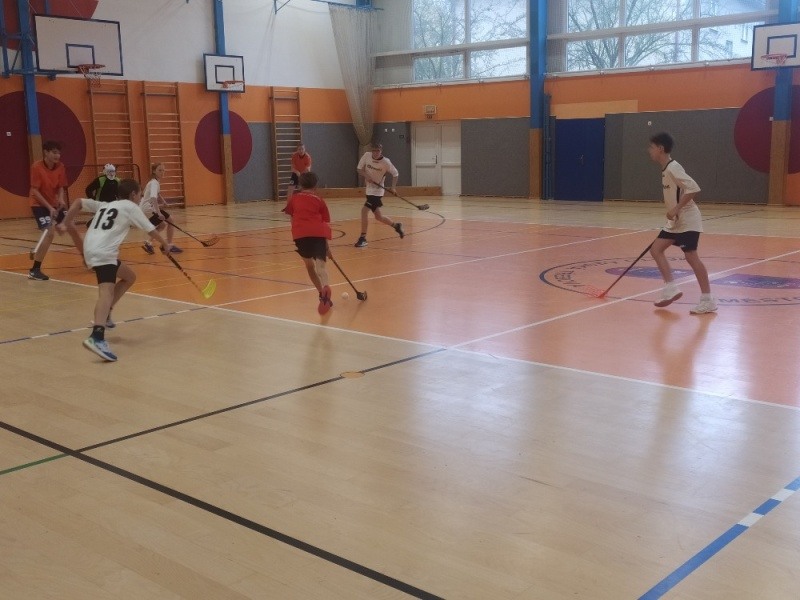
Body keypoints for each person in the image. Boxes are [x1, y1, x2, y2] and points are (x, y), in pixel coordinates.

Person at [58, 178, 171, 362]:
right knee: (106, 292)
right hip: (104, 252)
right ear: (133, 194)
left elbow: (78, 202)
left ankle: (107, 314)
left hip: (91, 249)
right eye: (140, 194)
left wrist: (65, 222)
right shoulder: (131, 207)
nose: (140, 197)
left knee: (129, 277)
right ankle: (97, 337)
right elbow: (150, 230)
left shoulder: (107, 205)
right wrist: (165, 244)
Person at [647, 132, 716, 314]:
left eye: (651, 147)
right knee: (656, 249)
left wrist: (676, 209)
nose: (649, 151)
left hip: (688, 220)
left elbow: (693, 188)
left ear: (660, 149)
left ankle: (707, 300)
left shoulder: (673, 168)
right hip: (676, 223)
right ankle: (670, 287)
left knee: (691, 256)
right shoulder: (665, 169)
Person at [27, 140, 84, 280]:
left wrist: (61, 199)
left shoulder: (60, 167)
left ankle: (87, 259)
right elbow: (35, 191)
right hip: (39, 205)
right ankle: (35, 270)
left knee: (72, 227)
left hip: (55, 204)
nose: (57, 155)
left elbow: (60, 186)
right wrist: (49, 207)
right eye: (54, 152)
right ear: (46, 152)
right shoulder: (36, 167)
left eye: (58, 153)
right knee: (49, 233)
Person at [283, 171, 334, 315]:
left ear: (300, 185)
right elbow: (324, 223)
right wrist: (327, 248)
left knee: (309, 266)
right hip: (318, 234)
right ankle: (326, 288)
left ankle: (321, 294)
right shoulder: (319, 200)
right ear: (315, 186)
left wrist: (296, 231)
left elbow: (291, 217)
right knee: (320, 267)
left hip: (300, 235)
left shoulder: (294, 199)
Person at [354, 141, 404, 248]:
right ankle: (396, 226)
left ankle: (363, 238)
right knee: (378, 216)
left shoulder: (386, 162)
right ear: (371, 150)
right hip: (369, 190)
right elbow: (359, 169)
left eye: (378, 151)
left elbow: (395, 174)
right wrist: (366, 176)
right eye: (374, 151)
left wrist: (393, 187)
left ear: (381, 151)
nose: (375, 153)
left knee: (364, 211)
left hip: (377, 191)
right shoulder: (366, 156)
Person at [139, 162, 182, 254]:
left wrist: (163, 201)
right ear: (154, 171)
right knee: (171, 221)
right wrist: (158, 213)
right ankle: (169, 245)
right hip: (149, 209)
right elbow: (153, 198)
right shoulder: (154, 183)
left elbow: (156, 193)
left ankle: (148, 243)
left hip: (144, 209)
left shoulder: (153, 181)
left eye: (163, 170)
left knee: (162, 225)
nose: (162, 172)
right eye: (160, 170)